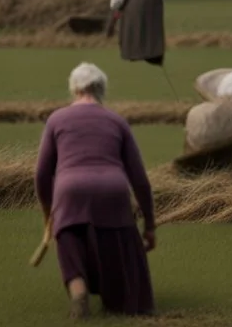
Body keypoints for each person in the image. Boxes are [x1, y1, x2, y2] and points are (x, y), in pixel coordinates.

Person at [35, 63, 156, 319]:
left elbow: (42, 174)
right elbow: (140, 179)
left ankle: (78, 288)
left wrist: (49, 212)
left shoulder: (57, 119)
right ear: (102, 89)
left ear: (74, 89)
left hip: (70, 190)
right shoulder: (117, 121)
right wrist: (150, 225)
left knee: (69, 241)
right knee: (116, 245)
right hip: (112, 189)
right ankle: (118, 298)